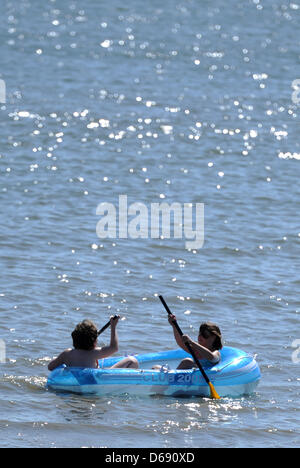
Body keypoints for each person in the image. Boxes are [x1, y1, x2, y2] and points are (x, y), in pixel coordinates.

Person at [48, 316, 138, 371]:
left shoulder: (67, 354)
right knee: (131, 360)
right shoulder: (94, 353)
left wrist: (59, 359)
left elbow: (50, 367)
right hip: (95, 381)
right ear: (94, 342)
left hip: (76, 382)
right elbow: (114, 348)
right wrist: (113, 326)